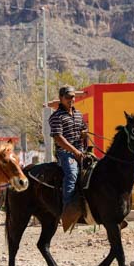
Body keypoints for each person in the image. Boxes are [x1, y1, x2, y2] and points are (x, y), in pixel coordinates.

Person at [48, 85, 88, 227]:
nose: (71, 99)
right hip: (64, 153)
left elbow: (84, 129)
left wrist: (84, 134)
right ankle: (67, 211)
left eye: (73, 97)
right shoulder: (55, 117)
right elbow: (58, 138)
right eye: (68, 97)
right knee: (71, 174)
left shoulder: (78, 114)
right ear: (61, 98)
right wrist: (74, 152)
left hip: (81, 150)